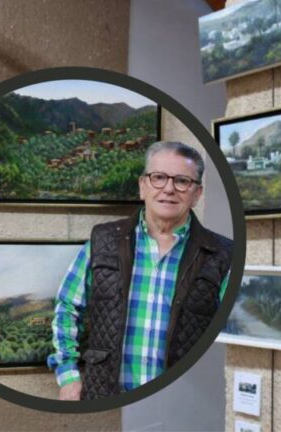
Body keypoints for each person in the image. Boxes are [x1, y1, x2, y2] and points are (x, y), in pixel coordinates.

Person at [47, 141, 233, 400]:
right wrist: (68, 376)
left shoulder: (223, 255)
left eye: (182, 181)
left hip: (181, 405)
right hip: (106, 399)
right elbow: (67, 308)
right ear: (142, 186)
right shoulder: (102, 242)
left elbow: (231, 335)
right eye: (158, 178)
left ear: (197, 193)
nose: (168, 188)